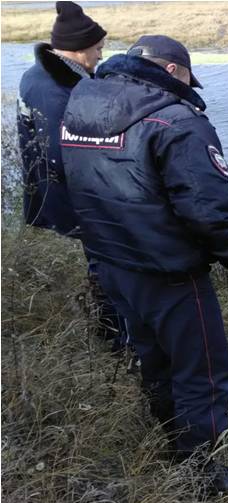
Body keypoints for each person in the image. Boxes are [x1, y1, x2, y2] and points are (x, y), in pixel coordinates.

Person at [60, 35, 228, 493]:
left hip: (111, 261)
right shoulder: (176, 121)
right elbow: (209, 208)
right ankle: (203, 476)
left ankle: (173, 442)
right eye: (189, 77)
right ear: (173, 71)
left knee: (154, 358)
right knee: (203, 370)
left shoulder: (83, 101)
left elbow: (72, 179)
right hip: (169, 271)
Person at [16, 1, 124, 349]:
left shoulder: (44, 75)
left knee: (99, 260)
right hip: (71, 196)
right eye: (97, 48)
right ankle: (112, 336)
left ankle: (111, 330)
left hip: (57, 192)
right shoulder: (53, 88)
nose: (100, 55)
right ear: (78, 49)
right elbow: (60, 153)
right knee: (103, 261)